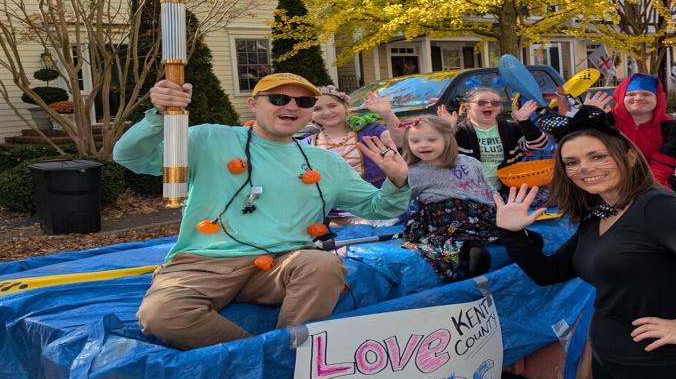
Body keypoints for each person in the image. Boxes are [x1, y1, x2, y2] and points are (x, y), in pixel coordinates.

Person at [113, 72, 412, 350]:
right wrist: (159, 116)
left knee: (323, 265)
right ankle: (268, 356)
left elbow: (380, 207)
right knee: (162, 315)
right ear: (253, 104)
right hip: (204, 263)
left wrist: (397, 179)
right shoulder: (209, 139)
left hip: (280, 264)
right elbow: (130, 158)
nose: (292, 106)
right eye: (279, 99)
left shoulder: (326, 162)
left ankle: (287, 351)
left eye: (304, 101)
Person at [494, 106, 676, 379]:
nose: (584, 168)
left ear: (628, 156)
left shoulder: (655, 206)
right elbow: (548, 273)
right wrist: (512, 234)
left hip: (663, 372)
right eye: (572, 162)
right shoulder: (599, 212)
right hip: (612, 364)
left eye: (597, 156)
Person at [400, 114, 498, 282]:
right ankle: (468, 292)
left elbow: (488, 189)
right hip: (448, 224)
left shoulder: (470, 162)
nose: (423, 145)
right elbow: (398, 201)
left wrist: (501, 208)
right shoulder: (413, 172)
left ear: (447, 139)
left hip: (483, 217)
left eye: (432, 139)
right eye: (415, 141)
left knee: (533, 239)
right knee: (478, 255)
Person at [303, 84, 395, 221]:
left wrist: (388, 115)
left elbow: (399, 141)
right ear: (310, 115)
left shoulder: (370, 130)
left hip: (374, 206)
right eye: (317, 109)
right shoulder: (307, 145)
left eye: (332, 106)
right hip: (332, 214)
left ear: (345, 106)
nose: (327, 112)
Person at [438, 88, 548, 193]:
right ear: (468, 106)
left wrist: (525, 121)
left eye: (495, 103)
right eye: (481, 102)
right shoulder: (460, 131)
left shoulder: (510, 128)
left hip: (508, 190)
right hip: (470, 191)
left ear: (500, 108)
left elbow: (538, 145)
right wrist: (448, 130)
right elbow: (441, 156)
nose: (489, 105)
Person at [609, 73, 676, 193]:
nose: (638, 98)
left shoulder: (674, 128)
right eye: (631, 94)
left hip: (652, 181)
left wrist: (643, 192)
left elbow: (662, 167)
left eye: (646, 94)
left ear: (658, 98)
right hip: (610, 180)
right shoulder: (606, 122)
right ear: (621, 97)